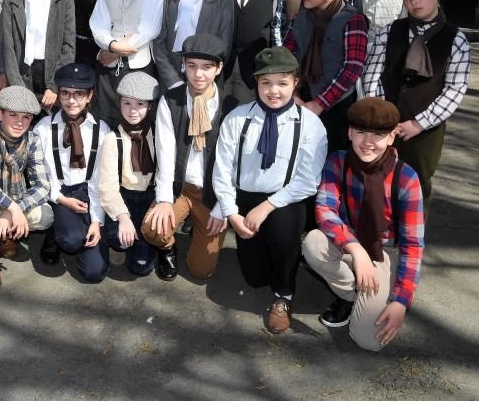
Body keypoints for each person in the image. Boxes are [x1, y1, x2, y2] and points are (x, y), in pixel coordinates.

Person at [211, 47, 328, 332]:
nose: (273, 91)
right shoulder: (237, 118)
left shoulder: (310, 124)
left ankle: (284, 294)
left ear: (295, 83)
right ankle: (271, 255)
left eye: (282, 83)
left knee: (284, 236)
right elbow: (223, 170)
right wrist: (232, 213)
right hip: (246, 197)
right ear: (256, 84)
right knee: (255, 277)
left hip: (285, 198)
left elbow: (307, 181)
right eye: (266, 83)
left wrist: (267, 207)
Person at [303, 97, 425, 352]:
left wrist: (401, 301)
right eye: (360, 132)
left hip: (384, 251)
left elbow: (413, 246)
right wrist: (355, 250)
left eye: (378, 135)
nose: (367, 142)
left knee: (368, 341)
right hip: (351, 241)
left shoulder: (406, 178)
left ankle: (369, 296)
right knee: (313, 242)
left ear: (392, 137)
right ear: (349, 132)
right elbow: (325, 210)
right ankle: (352, 295)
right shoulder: (338, 160)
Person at [361, 0, 471, 213]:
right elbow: (372, 73)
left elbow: (455, 88)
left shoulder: (457, 40)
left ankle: (411, 237)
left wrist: (420, 122)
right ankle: (378, 231)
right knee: (377, 176)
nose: (414, 2)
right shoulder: (389, 33)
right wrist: (381, 115)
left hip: (426, 127)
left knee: (417, 181)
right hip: (384, 122)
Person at [141, 34, 238, 281]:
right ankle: (167, 248)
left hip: (212, 193)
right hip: (181, 188)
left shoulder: (230, 106)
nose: (199, 74)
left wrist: (223, 206)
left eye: (207, 67)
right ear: (183, 65)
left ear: (219, 68)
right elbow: (165, 154)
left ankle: (200, 228)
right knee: (153, 229)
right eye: (192, 66)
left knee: (200, 271)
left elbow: (235, 164)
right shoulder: (171, 101)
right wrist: (163, 200)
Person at [0, 85, 54, 289]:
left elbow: (43, 187)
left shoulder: (33, 140)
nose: (20, 122)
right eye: (13, 115)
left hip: (17, 201)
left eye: (26, 117)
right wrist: (11, 208)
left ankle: (7, 235)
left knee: (46, 216)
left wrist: (13, 210)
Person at [34, 64, 111, 282]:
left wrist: (96, 221)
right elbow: (43, 174)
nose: (71, 100)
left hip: (90, 193)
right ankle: (57, 231)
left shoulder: (101, 130)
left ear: (90, 96)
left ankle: (91, 231)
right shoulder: (44, 128)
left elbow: (99, 179)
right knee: (72, 240)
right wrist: (63, 201)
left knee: (94, 273)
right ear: (58, 95)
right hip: (60, 193)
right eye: (65, 93)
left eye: (79, 94)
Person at [283, 0, 368, 153]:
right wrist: (293, 95)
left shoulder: (353, 20)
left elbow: (352, 68)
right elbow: (285, 57)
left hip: (338, 107)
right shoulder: (301, 17)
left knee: (335, 161)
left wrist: (320, 104)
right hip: (300, 100)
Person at [89, 0, 166, 128]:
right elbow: (97, 23)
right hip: (108, 65)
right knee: (107, 119)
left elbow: (151, 25)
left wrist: (119, 51)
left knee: (136, 121)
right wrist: (112, 45)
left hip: (139, 61)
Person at [1, 0, 76, 114]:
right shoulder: (13, 3)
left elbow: (68, 47)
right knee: (23, 123)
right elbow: (9, 48)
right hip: (23, 73)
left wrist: (54, 85)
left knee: (53, 128)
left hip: (52, 73)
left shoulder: (64, 2)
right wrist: (18, 86)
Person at [98, 71, 161, 277]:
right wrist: (123, 217)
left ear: (150, 106)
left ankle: (145, 242)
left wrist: (158, 204)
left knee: (141, 268)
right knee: (119, 238)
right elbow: (108, 187)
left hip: (150, 198)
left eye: (140, 104)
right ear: (119, 104)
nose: (133, 110)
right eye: (127, 103)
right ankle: (118, 243)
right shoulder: (112, 139)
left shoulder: (158, 135)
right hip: (123, 198)